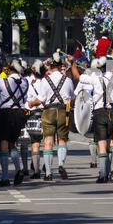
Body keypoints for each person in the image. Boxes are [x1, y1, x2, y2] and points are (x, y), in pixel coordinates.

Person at [71, 55, 113, 183]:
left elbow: (77, 76)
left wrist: (73, 64)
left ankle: (103, 175)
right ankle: (108, 174)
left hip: (100, 113)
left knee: (102, 145)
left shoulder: (95, 78)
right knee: (109, 145)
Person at [29, 51, 74, 181]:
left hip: (48, 111)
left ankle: (48, 173)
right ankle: (61, 164)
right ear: (61, 66)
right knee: (62, 140)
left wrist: (32, 103)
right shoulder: (68, 80)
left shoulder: (45, 80)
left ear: (50, 66)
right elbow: (72, 97)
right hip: (63, 112)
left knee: (48, 141)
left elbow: (41, 99)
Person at [0, 60, 29, 187]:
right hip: (20, 114)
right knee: (12, 143)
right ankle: (18, 170)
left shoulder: (3, 81)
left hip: (6, 113)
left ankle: (5, 177)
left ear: (9, 70)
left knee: (4, 144)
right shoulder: (25, 82)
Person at [24, 59, 45, 179]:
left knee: (34, 143)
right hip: (45, 113)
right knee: (48, 142)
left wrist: (31, 104)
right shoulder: (47, 81)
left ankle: (36, 171)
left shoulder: (27, 81)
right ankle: (46, 169)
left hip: (32, 113)